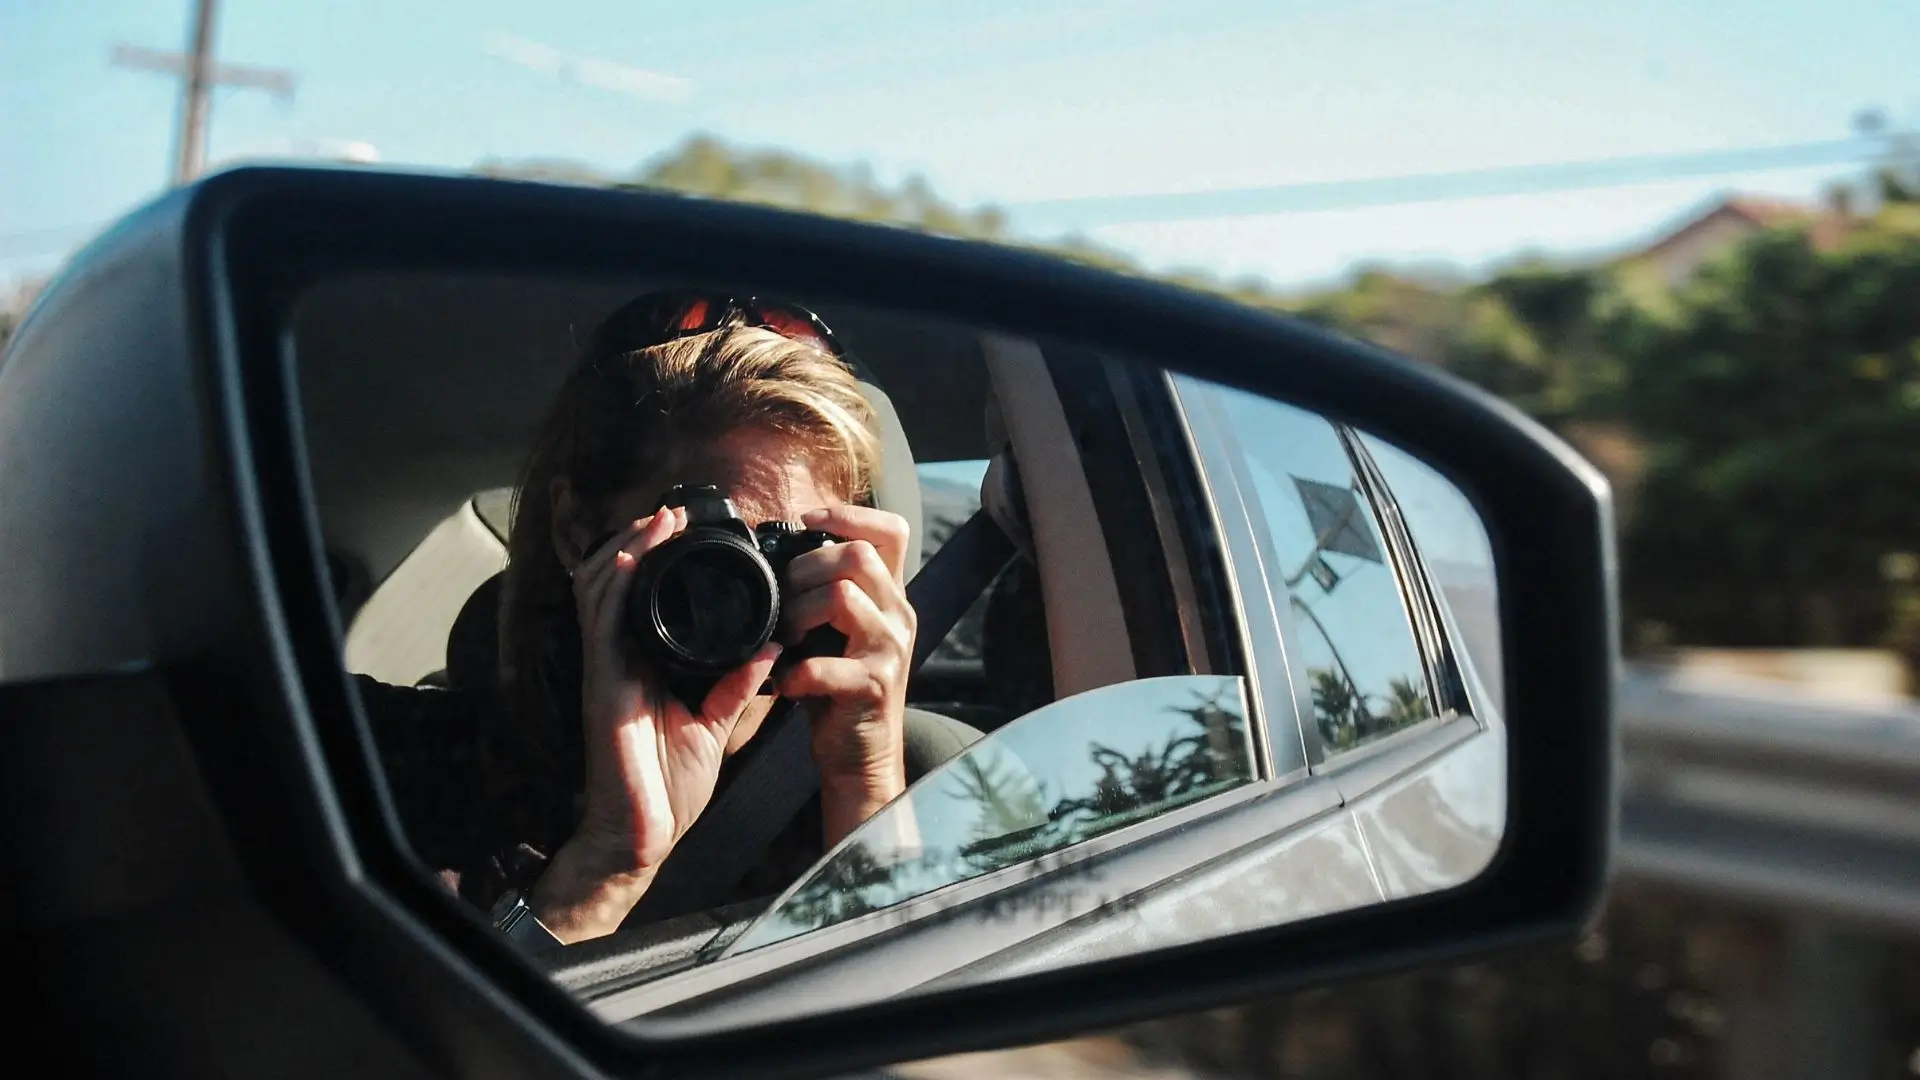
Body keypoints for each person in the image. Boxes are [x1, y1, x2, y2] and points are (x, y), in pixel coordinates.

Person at [352, 292, 980, 946]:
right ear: (575, 532)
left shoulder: (940, 781)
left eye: (778, 549)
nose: (736, 592)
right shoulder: (391, 777)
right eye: (706, 548)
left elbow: (904, 1036)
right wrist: (607, 862)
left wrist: (863, 783)